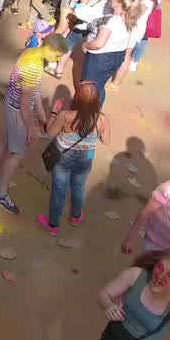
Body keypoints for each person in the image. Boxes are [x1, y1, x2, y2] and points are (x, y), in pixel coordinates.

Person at [0, 34, 69, 215]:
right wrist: (31, 126)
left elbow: (34, 90)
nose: (57, 60)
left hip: (11, 106)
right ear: (49, 49)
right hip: (17, 111)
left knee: (4, 143)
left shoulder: (32, 53)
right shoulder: (34, 65)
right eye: (57, 56)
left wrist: (43, 116)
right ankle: (1, 192)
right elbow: (24, 102)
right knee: (18, 153)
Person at [38, 81, 111, 235]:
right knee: (79, 187)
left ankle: (53, 225)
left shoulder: (66, 116)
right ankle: (76, 216)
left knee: (59, 190)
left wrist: (53, 112)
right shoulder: (102, 119)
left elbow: (49, 133)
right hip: (86, 158)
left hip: (63, 157)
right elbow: (106, 141)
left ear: (77, 98)